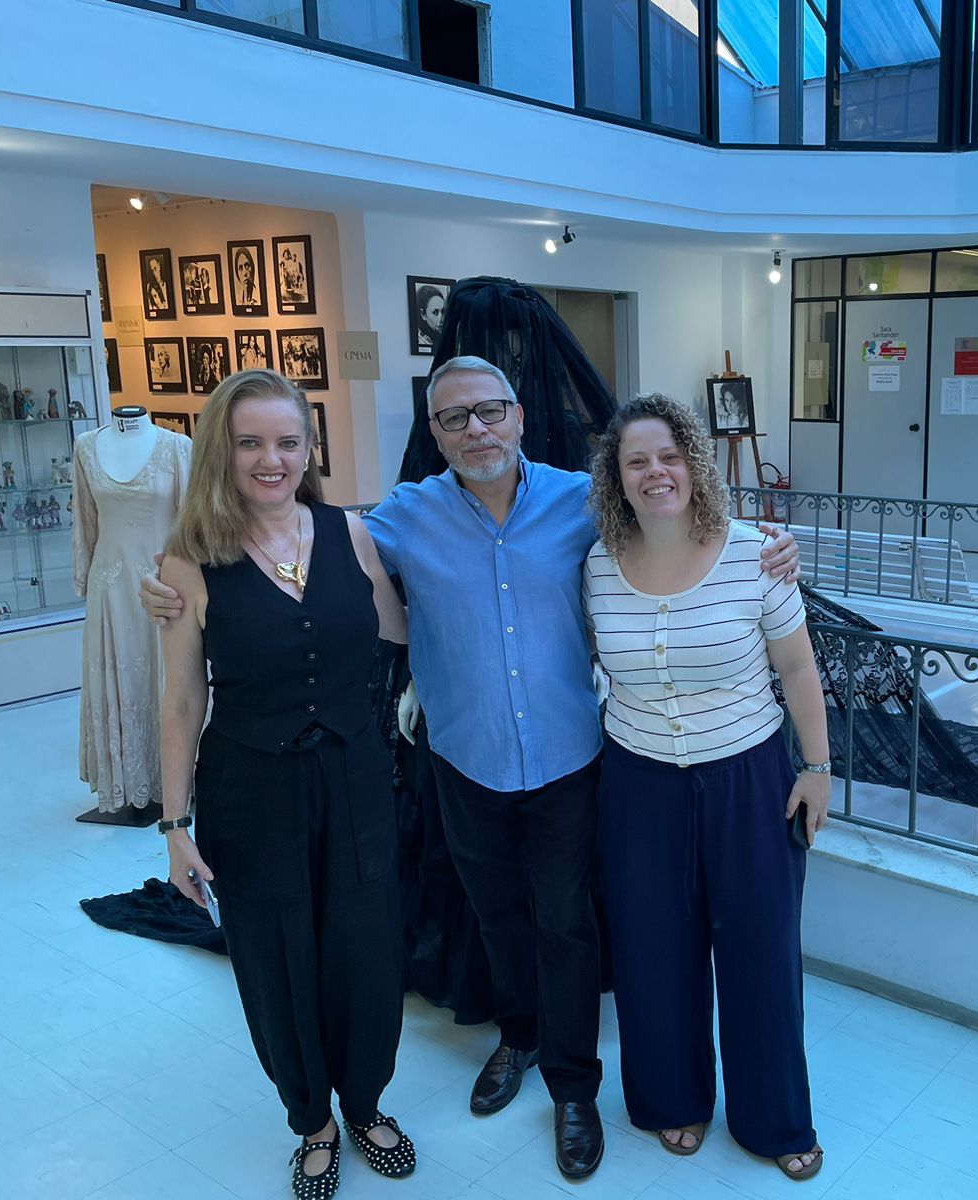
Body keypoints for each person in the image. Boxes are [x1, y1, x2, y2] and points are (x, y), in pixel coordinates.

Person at [140, 355, 801, 1183]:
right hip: (464, 757)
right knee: (496, 916)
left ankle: (572, 1085)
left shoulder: (581, 501)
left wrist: (765, 544)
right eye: (454, 418)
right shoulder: (396, 519)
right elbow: (303, 562)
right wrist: (165, 583)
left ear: (519, 415)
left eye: (490, 411)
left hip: (568, 756)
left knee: (567, 922)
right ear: (436, 433)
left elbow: (672, 513)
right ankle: (518, 1036)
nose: (476, 429)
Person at [155, 368, 415, 1200]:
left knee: (365, 950)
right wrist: (174, 825)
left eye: (287, 442)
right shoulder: (189, 561)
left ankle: (365, 1103)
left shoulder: (350, 532)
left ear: (310, 448)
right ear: (221, 452)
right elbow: (181, 700)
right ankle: (313, 1122)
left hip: (356, 780)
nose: (271, 459)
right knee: (275, 960)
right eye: (250, 443)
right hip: (250, 790)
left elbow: (402, 631)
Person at [584, 395, 828, 1180]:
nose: (655, 473)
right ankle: (673, 1099)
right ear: (616, 478)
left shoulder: (757, 553)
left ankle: (774, 1118)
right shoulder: (596, 564)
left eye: (669, 456)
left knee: (761, 952)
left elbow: (798, 668)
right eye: (636, 461)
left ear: (693, 463)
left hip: (748, 781)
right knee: (653, 950)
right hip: (637, 784)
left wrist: (817, 769)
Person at [415, 284, 446, 351]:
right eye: (435, 312)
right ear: (423, 314)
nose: (441, 318)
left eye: (443, 312)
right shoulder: (422, 341)